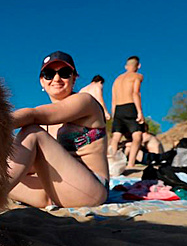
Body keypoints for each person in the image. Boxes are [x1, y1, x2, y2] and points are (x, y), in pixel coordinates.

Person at [7, 51, 109, 208]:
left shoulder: (85, 102)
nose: (56, 79)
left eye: (64, 73)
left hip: (91, 189)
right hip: (54, 191)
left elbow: (33, 115)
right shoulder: (44, 125)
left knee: (32, 133)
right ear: (42, 81)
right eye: (49, 74)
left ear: (74, 78)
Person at [109, 56, 144, 168]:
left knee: (115, 138)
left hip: (118, 109)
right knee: (137, 136)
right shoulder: (137, 76)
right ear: (138, 66)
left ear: (126, 66)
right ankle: (131, 164)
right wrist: (140, 112)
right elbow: (135, 93)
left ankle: (112, 163)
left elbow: (113, 100)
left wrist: (115, 116)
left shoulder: (117, 79)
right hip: (130, 107)